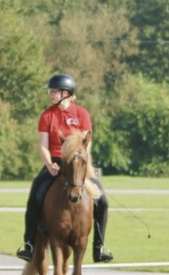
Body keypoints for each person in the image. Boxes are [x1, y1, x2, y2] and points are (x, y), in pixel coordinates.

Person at [15, 74, 113, 263]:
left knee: (103, 202)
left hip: (78, 164)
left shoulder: (81, 114)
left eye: (54, 91)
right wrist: (49, 164)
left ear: (65, 93)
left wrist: (82, 164)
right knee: (35, 194)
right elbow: (43, 145)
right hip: (56, 163)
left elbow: (86, 143)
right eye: (50, 91)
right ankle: (28, 243)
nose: (50, 94)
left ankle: (99, 247)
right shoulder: (47, 115)